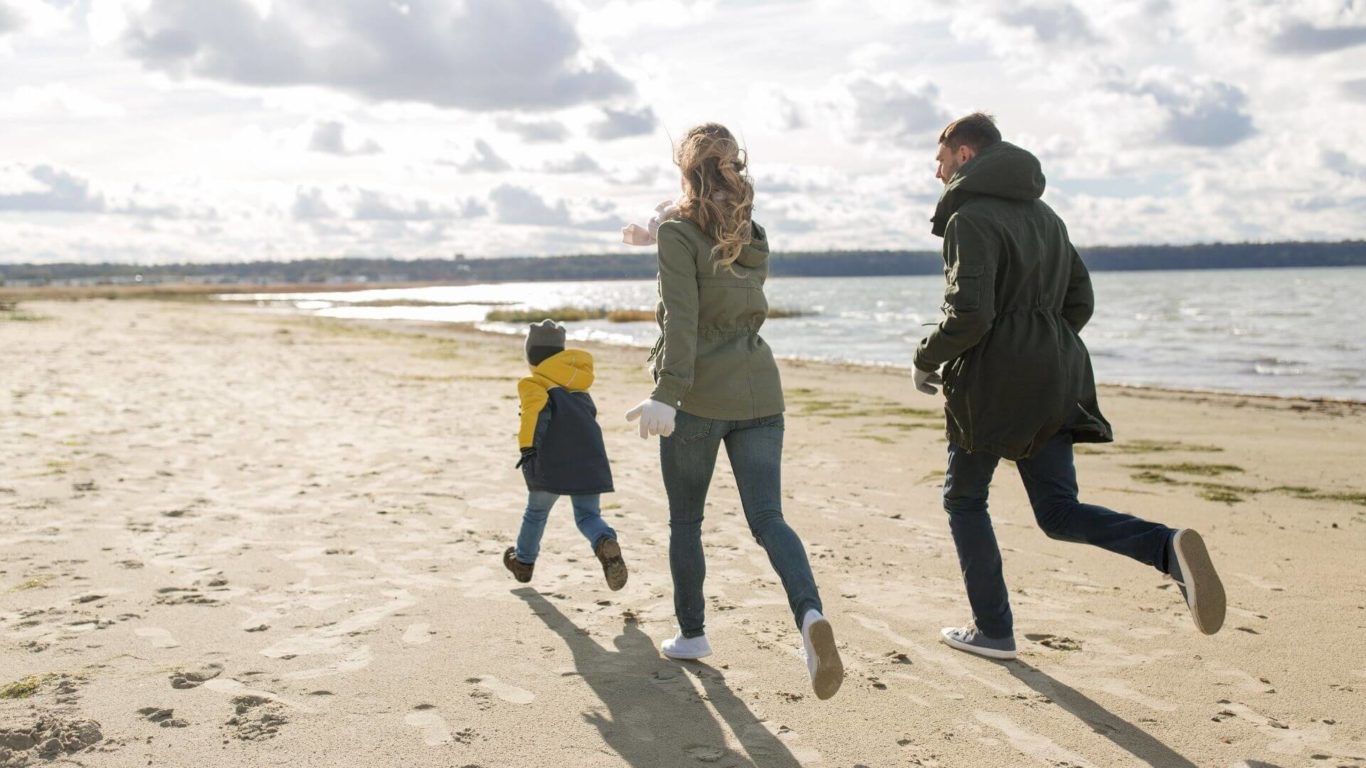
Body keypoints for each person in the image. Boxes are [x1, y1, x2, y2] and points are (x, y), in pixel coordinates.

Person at [913, 113, 1226, 660]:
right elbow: (1080, 302)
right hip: (1058, 376)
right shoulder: (1047, 217)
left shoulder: (970, 219)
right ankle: (1165, 547)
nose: (936, 172)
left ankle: (994, 631)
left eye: (940, 160)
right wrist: (1041, 344)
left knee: (964, 499)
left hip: (993, 388)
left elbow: (971, 314)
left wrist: (924, 358)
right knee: (1058, 512)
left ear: (964, 155)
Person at [623, 123, 844, 700]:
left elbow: (682, 318)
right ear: (731, 168)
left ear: (684, 169)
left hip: (697, 398)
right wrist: (655, 227)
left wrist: (667, 394)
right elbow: (706, 254)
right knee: (769, 519)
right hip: (761, 394)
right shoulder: (752, 231)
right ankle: (810, 616)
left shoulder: (679, 231)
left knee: (686, 521)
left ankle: (692, 634)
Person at [504, 319, 627, 591]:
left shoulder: (533, 384)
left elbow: (533, 415)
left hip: (552, 461)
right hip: (589, 459)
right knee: (587, 516)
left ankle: (523, 562)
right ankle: (604, 541)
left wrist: (527, 447)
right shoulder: (579, 388)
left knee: (536, 512)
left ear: (532, 358)